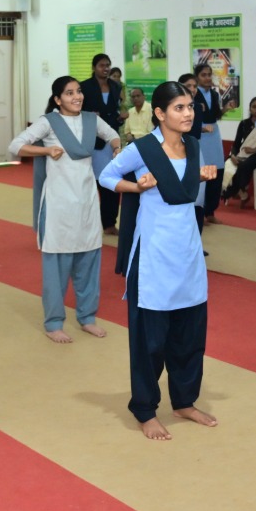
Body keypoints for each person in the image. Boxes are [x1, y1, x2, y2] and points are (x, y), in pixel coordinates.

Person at [100, 81, 220, 440]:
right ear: (160, 113)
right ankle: (144, 408)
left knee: (189, 335)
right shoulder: (144, 149)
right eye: (179, 108)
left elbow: (185, 186)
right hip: (153, 254)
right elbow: (106, 176)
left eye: (190, 107)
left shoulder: (194, 145)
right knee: (149, 342)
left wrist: (203, 174)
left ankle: (184, 401)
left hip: (188, 252)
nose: (188, 113)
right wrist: (136, 187)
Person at [9, 76, 120, 342]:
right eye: (69, 93)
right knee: (56, 268)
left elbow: (113, 135)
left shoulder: (92, 120)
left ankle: (87, 318)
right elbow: (15, 146)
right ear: (58, 99)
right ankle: (54, 322)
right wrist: (46, 152)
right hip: (59, 204)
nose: (77, 96)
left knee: (89, 261)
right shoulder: (49, 122)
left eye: (78, 91)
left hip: (87, 202)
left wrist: (117, 148)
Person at [80, 54, 125, 235]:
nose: (105, 68)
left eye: (108, 65)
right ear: (94, 67)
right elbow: (77, 111)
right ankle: (87, 224)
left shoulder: (116, 86)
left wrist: (120, 118)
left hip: (112, 140)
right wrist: (88, 115)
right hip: (92, 141)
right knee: (92, 183)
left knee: (112, 182)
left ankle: (109, 223)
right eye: (101, 65)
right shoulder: (84, 87)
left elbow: (114, 112)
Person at [192, 63, 226, 224]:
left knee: (217, 170)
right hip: (200, 135)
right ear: (197, 77)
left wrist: (226, 109)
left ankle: (211, 211)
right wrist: (201, 128)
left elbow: (216, 115)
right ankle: (200, 211)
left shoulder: (214, 94)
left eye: (209, 74)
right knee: (202, 173)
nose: (207, 78)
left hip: (214, 134)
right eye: (203, 75)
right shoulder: (192, 95)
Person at [220, 96, 256, 202]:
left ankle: (235, 191)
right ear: (250, 109)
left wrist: (254, 149)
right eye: (254, 107)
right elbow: (237, 143)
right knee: (227, 163)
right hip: (243, 152)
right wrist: (233, 155)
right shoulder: (244, 124)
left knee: (244, 165)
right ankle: (241, 192)